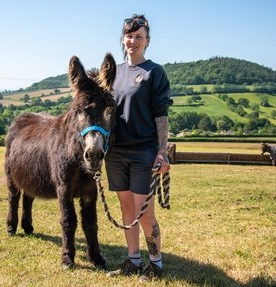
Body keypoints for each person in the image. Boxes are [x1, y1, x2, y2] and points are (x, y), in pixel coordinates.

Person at [105, 14, 172, 282]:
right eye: (129, 36)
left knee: (145, 214)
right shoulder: (113, 73)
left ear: (147, 41)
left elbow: (161, 115)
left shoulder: (154, 72)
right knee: (126, 212)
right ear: (123, 39)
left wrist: (163, 150)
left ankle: (155, 263)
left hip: (144, 151)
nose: (133, 41)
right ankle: (133, 260)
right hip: (116, 153)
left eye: (139, 36)